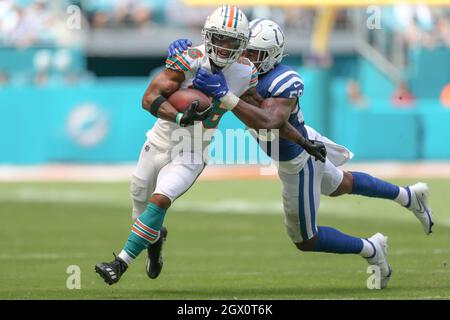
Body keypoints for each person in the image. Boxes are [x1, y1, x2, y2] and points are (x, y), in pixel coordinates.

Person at [169, 19, 434, 288]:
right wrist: (182, 53)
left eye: (254, 54)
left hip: (298, 156)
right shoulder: (236, 67)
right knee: (343, 183)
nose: (244, 58)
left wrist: (225, 95)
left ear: (271, 56)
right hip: (305, 140)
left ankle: (371, 248)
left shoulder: (283, 80)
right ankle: (409, 196)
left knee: (306, 240)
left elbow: (270, 121)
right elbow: (206, 60)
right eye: (243, 50)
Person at [94, 6, 325, 286]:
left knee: (161, 199)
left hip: (193, 150)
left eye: (231, 41)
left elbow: (264, 116)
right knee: (141, 208)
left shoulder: (245, 72)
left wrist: (303, 140)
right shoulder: (190, 58)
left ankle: (119, 264)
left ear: (242, 43)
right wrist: (180, 115)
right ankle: (155, 242)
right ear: (207, 34)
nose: (224, 47)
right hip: (158, 142)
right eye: (218, 37)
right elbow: (149, 98)